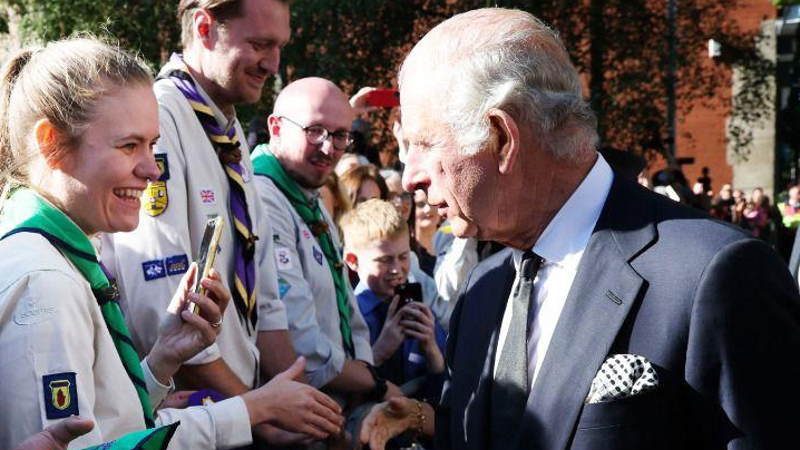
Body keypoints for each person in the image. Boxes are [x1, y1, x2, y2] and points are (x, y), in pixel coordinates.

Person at [361, 8, 800, 450]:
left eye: (422, 144)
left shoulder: (714, 274)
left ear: (502, 138)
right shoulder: (483, 287)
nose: (411, 174)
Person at [0, 37, 342, 450]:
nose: (150, 169)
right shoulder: (45, 283)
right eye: (129, 145)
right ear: (51, 144)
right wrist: (252, 410)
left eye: (152, 145)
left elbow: (103, 422)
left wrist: (163, 360)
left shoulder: (58, 259)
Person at [100, 1, 319, 443]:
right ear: (205, 28)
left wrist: (305, 410)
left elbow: (267, 300)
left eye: (279, 46)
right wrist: (261, 414)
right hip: (190, 423)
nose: (273, 64)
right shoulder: (159, 116)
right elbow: (161, 307)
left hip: (240, 409)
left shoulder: (228, 127)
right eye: (259, 44)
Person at [251, 77, 402, 408]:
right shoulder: (261, 198)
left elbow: (347, 308)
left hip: (343, 402)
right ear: (276, 127)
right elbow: (298, 339)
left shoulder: (309, 194)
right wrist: (377, 386)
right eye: (314, 131)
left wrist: (365, 376)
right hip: (299, 420)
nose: (328, 147)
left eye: (339, 136)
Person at [341, 199, 446, 404]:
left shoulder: (419, 311)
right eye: (384, 260)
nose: (397, 269)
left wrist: (431, 350)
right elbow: (344, 396)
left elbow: (445, 393)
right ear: (353, 261)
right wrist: (379, 351)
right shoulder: (348, 316)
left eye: (403, 256)